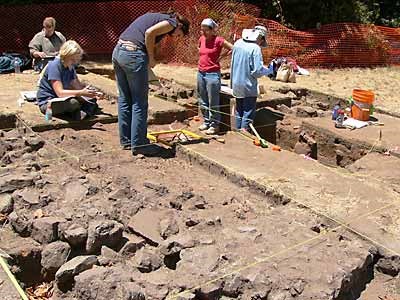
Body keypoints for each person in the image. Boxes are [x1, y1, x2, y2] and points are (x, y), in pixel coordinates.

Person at [112, 11, 190, 156]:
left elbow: (146, 33)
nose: (176, 37)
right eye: (179, 34)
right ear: (180, 26)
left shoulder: (155, 17)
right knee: (139, 102)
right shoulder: (171, 22)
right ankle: (140, 144)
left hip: (118, 52)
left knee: (124, 99)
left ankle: (127, 140)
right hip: (133, 55)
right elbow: (149, 33)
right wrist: (151, 58)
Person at [36, 40, 98, 120]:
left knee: (91, 100)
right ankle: (80, 112)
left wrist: (92, 93)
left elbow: (77, 86)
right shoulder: (54, 66)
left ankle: (79, 113)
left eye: (76, 59)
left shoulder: (70, 67)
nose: (75, 62)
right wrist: (81, 93)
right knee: (73, 103)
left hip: (63, 99)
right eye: (72, 59)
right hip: (49, 102)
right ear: (66, 56)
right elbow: (60, 93)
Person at [230, 25, 272, 131]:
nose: (261, 43)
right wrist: (269, 70)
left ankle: (238, 131)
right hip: (248, 85)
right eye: (261, 40)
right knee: (248, 111)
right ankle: (245, 132)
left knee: (239, 109)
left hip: (236, 83)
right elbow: (257, 71)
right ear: (260, 38)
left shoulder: (238, 43)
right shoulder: (255, 48)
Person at [197, 18, 233, 135]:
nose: (204, 32)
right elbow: (199, 49)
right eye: (203, 29)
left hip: (212, 74)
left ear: (212, 30)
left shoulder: (218, 40)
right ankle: (206, 121)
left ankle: (214, 124)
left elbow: (232, 48)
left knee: (213, 101)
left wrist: (221, 57)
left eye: (206, 30)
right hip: (201, 72)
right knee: (202, 100)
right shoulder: (201, 39)